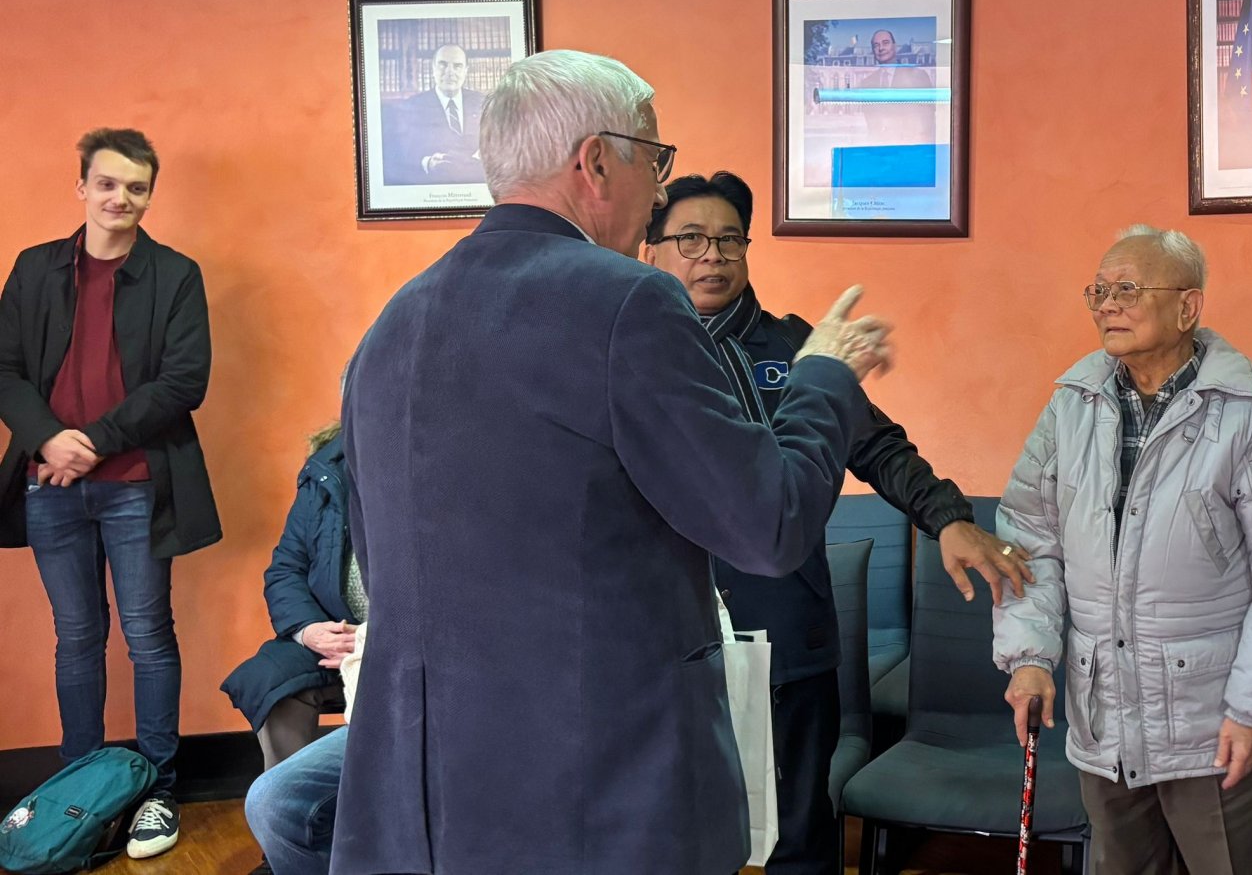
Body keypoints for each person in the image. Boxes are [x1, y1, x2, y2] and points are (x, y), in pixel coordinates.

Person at [335, 48, 896, 875]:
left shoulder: (391, 324)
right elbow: (767, 523)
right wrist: (826, 374)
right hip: (599, 793)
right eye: (654, 158)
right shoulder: (628, 300)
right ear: (596, 161)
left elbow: (380, 563)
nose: (661, 191)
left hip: (428, 801)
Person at [644, 171, 1030, 875]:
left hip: (787, 633)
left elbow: (878, 446)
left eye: (730, 239)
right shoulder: (638, 354)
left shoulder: (800, 348)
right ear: (653, 251)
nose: (713, 255)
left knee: (800, 837)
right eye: (691, 239)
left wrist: (947, 519)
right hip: (670, 638)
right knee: (677, 834)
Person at [993, 225, 1252, 874]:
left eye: (1128, 289)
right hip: (1105, 724)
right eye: (1099, 290)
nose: (1107, 304)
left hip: (1217, 727)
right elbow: (1028, 539)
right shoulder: (1070, 409)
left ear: (1188, 307)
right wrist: (1030, 655)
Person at [0, 128, 221, 860]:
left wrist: (89, 440)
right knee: (77, 638)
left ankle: (157, 788)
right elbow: (5, 369)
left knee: (148, 635)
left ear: (149, 196)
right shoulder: (34, 268)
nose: (120, 197)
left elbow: (183, 381)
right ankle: (79, 789)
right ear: (82, 188)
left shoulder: (175, 275)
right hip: (51, 487)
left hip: (136, 487)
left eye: (136, 187)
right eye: (107, 183)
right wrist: (47, 440)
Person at [221, 417, 365, 875]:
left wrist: (374, 637)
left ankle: (369, 839)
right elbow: (285, 568)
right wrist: (309, 629)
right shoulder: (324, 470)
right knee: (272, 681)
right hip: (330, 635)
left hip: (400, 640)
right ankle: (285, 843)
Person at [244, 621, 367, 875]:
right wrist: (309, 631)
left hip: (416, 685)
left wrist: (370, 641)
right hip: (334, 643)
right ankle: (279, 856)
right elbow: (285, 590)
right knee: (270, 801)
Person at [380, 44, 485, 185]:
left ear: (466, 70)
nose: (450, 72)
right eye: (443, 65)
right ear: (433, 68)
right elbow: (398, 156)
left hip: (474, 183)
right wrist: (427, 163)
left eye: (457, 66)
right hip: (432, 185)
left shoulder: (483, 102)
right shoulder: (411, 107)